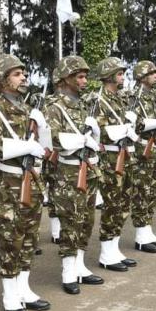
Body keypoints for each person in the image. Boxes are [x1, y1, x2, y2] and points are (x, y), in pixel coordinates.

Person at [0, 54, 51, 311]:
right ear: (1, 79)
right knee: (12, 238)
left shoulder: (26, 108)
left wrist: (42, 127)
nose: (23, 78)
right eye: (16, 74)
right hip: (9, 182)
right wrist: (26, 146)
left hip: (32, 179)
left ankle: (24, 288)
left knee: (30, 236)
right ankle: (10, 294)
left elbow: (45, 148)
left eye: (24, 73)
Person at [43, 55, 104, 291]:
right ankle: (68, 270)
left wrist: (93, 135)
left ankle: (79, 264)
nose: (84, 81)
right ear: (65, 78)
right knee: (71, 220)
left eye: (85, 76)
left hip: (86, 169)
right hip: (66, 171)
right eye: (79, 76)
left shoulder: (81, 106)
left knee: (87, 219)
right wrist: (84, 139)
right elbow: (55, 139)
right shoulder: (54, 107)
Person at [93, 57, 139, 272]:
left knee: (123, 203)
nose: (123, 77)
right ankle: (105, 252)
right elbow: (98, 131)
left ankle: (114, 247)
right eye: (119, 73)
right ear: (109, 75)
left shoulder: (120, 99)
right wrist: (122, 130)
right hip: (110, 158)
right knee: (112, 204)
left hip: (125, 155)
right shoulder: (97, 100)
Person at [129, 61, 156, 252]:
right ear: (142, 76)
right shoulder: (134, 96)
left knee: (153, 191)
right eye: (152, 73)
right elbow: (135, 123)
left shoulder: (152, 97)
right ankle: (140, 235)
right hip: (143, 150)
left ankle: (147, 230)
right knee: (142, 192)